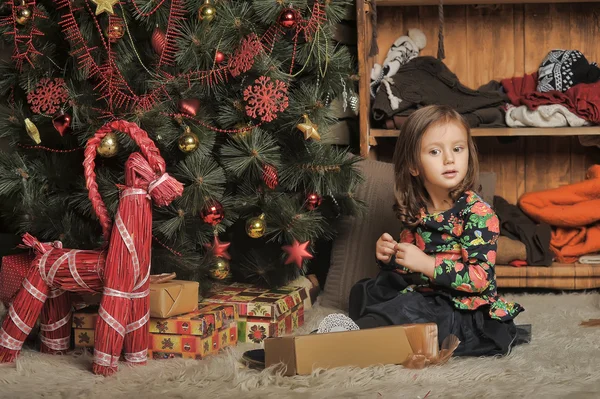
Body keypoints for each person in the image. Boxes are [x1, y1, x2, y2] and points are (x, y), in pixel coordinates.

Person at [317, 105, 529, 356]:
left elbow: (479, 279)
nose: (449, 159)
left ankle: (347, 342)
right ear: (414, 166)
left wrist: (427, 264)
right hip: (427, 294)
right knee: (367, 289)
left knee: (410, 307)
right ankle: (352, 335)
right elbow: (409, 270)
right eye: (435, 151)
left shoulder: (478, 213)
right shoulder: (418, 210)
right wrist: (390, 256)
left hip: (462, 309)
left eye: (457, 149)